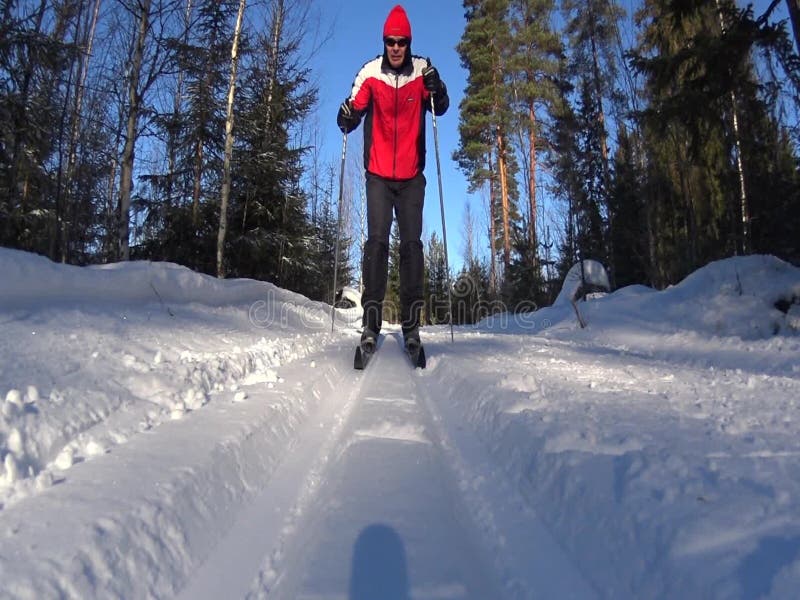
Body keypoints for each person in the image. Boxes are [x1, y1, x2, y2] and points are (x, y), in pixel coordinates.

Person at [336, 4, 449, 354]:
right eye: (390, 41)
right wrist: (346, 117)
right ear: (384, 42)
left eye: (401, 41)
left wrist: (438, 86)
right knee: (376, 244)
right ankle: (370, 325)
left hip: (412, 176)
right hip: (379, 178)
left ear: (409, 42)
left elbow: (440, 106)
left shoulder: (422, 70)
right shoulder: (371, 72)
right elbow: (352, 109)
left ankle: (411, 327)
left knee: (412, 247)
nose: (396, 47)